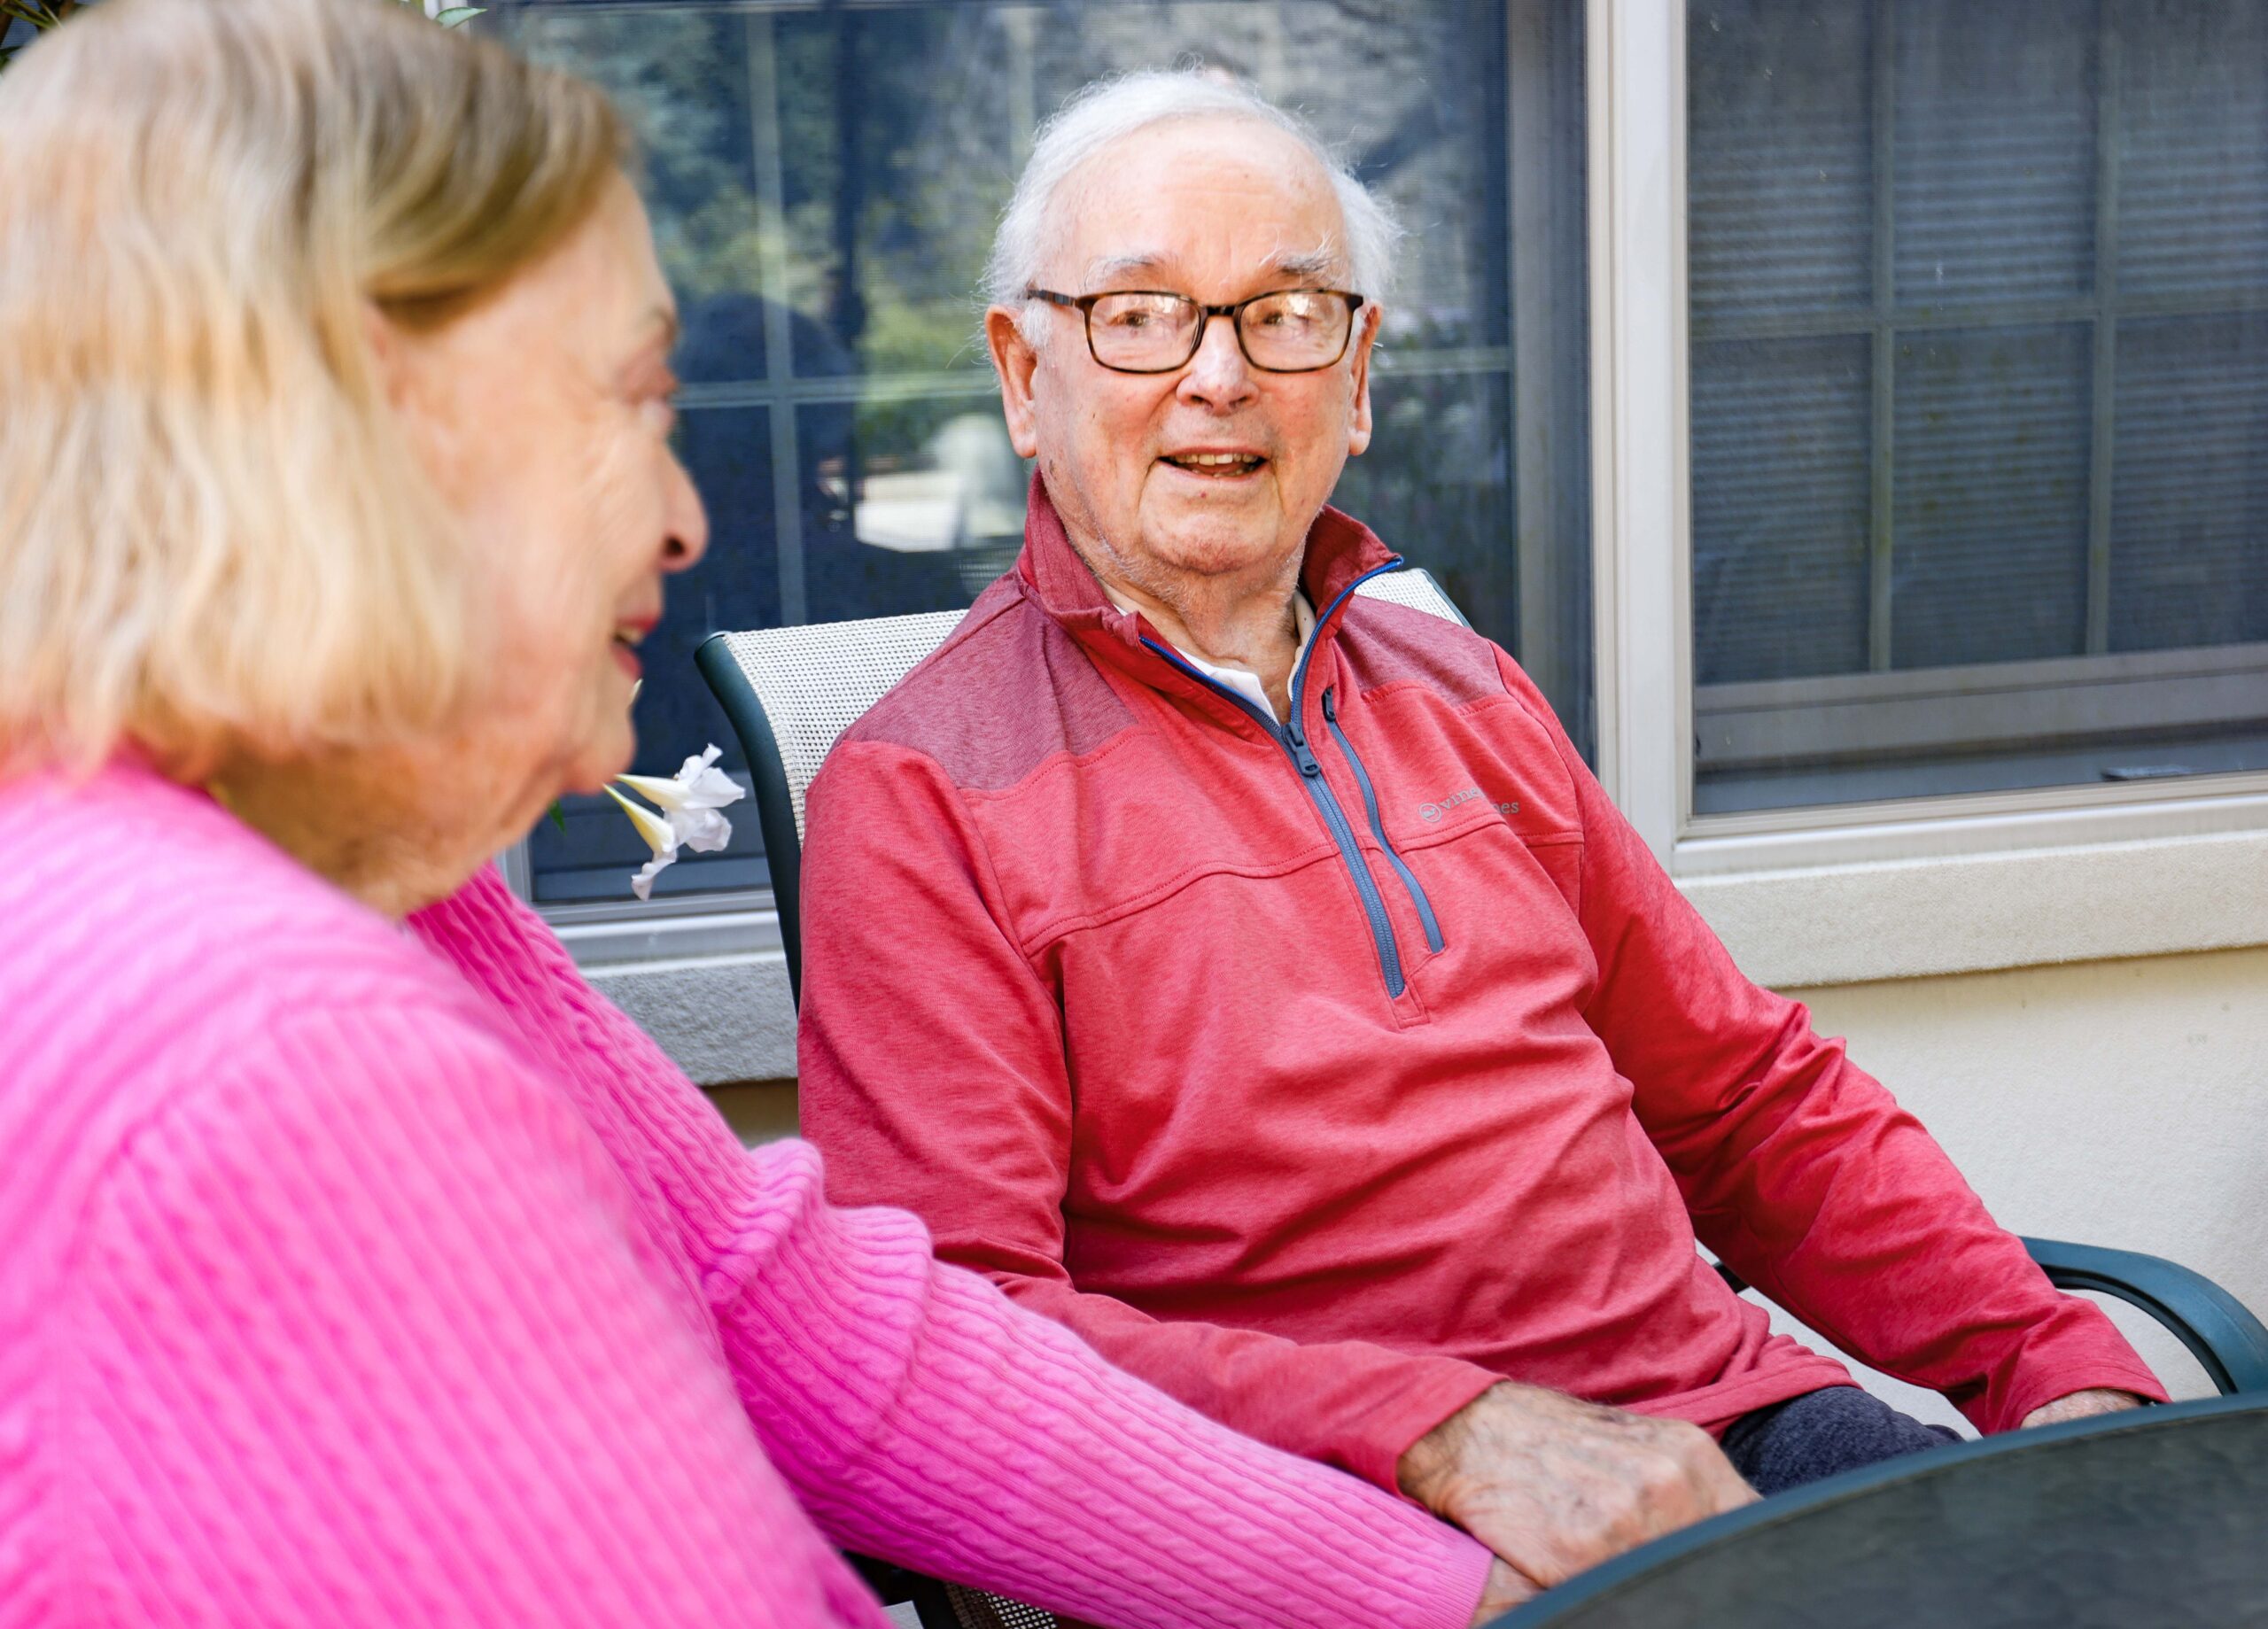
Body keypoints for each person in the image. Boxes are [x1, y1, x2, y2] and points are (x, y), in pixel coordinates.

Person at [0, 7, 1513, 1625]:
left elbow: (801, 1321)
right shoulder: (282, 1057)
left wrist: (1452, 1600)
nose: (684, 517)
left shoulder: (375, 886)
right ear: (348, 438)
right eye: (631, 402)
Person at [795, 70, 2169, 1606]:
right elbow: (959, 1334)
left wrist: (2047, 1366)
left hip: (1731, 1437)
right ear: (1022, 377)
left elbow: (1749, 1105)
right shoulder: (920, 791)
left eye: (1286, 313)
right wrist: (1438, 1430)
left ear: (1360, 373)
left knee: (2129, 1586)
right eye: (1140, 315)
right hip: (1362, 1529)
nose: (1218, 376)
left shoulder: (1463, 687)